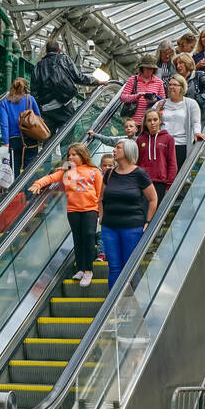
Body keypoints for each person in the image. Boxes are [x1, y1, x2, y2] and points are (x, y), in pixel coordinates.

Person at [30, 142, 104, 288]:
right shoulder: (66, 171)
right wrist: (38, 184)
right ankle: (80, 269)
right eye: (69, 155)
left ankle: (89, 270)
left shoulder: (94, 171)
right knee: (78, 239)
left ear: (82, 155)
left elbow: (100, 193)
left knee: (89, 236)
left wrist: (100, 211)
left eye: (74, 154)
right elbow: (50, 178)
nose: (70, 157)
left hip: (90, 209)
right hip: (73, 210)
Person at [97, 139, 158, 275]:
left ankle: (132, 296)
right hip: (109, 227)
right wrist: (101, 216)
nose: (114, 150)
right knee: (114, 268)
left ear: (128, 151)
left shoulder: (139, 174)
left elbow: (153, 198)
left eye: (118, 148)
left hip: (132, 227)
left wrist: (148, 221)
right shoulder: (109, 174)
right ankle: (115, 297)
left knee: (130, 268)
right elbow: (101, 198)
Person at [32, 39, 96, 136]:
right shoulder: (64, 59)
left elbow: (34, 91)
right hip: (64, 105)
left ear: (46, 51)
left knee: (47, 139)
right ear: (59, 51)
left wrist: (38, 111)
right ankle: (66, 151)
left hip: (46, 110)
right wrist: (97, 82)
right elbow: (78, 78)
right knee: (68, 134)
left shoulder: (37, 66)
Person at [154, 74, 203, 169]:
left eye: (175, 85)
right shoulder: (161, 103)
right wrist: (156, 111)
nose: (171, 87)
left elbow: (195, 122)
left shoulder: (191, 103)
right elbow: (149, 120)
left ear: (182, 87)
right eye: (170, 85)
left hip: (181, 145)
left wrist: (197, 133)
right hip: (162, 144)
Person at [133, 107, 177, 203]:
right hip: (143, 182)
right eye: (149, 120)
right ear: (145, 123)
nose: (152, 123)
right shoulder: (140, 140)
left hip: (160, 183)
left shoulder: (168, 139)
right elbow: (136, 162)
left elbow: (172, 163)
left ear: (160, 121)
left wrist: (169, 184)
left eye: (155, 120)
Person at [0, 77, 40, 177]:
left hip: (13, 140)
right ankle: (29, 191)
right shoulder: (30, 99)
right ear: (25, 87)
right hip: (30, 138)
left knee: (14, 169)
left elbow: (4, 124)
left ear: (12, 87)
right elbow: (38, 117)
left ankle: (15, 191)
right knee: (30, 168)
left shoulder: (4, 103)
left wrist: (6, 143)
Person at [174, 53, 205, 125]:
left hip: (198, 117)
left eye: (180, 63)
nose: (178, 66)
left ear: (187, 63)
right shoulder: (175, 79)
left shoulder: (198, 75)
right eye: (176, 64)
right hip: (180, 118)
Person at [118, 53, 166, 120]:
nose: (149, 71)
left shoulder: (159, 82)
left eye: (151, 68)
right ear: (142, 68)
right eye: (147, 68)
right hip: (133, 122)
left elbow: (163, 102)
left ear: (154, 69)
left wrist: (154, 100)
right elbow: (122, 97)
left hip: (149, 122)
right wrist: (136, 96)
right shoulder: (133, 79)